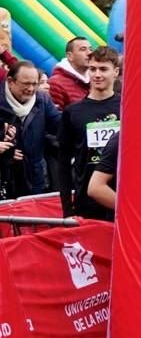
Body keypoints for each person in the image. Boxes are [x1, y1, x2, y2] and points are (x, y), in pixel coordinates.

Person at [58, 45, 120, 220]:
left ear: (115, 72)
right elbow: (63, 163)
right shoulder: (73, 112)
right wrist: (67, 210)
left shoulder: (128, 108)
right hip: (86, 202)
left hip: (120, 197)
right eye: (92, 69)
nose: (97, 74)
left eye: (103, 69)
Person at [4, 61, 61, 195]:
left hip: (35, 176)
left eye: (35, 84)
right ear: (10, 81)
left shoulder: (42, 99)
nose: (31, 89)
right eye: (26, 84)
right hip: (6, 176)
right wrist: (6, 153)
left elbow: (58, 125)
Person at [47, 36, 92, 111]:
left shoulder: (95, 78)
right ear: (70, 56)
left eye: (90, 49)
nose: (89, 53)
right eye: (83, 49)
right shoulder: (56, 84)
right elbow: (55, 116)